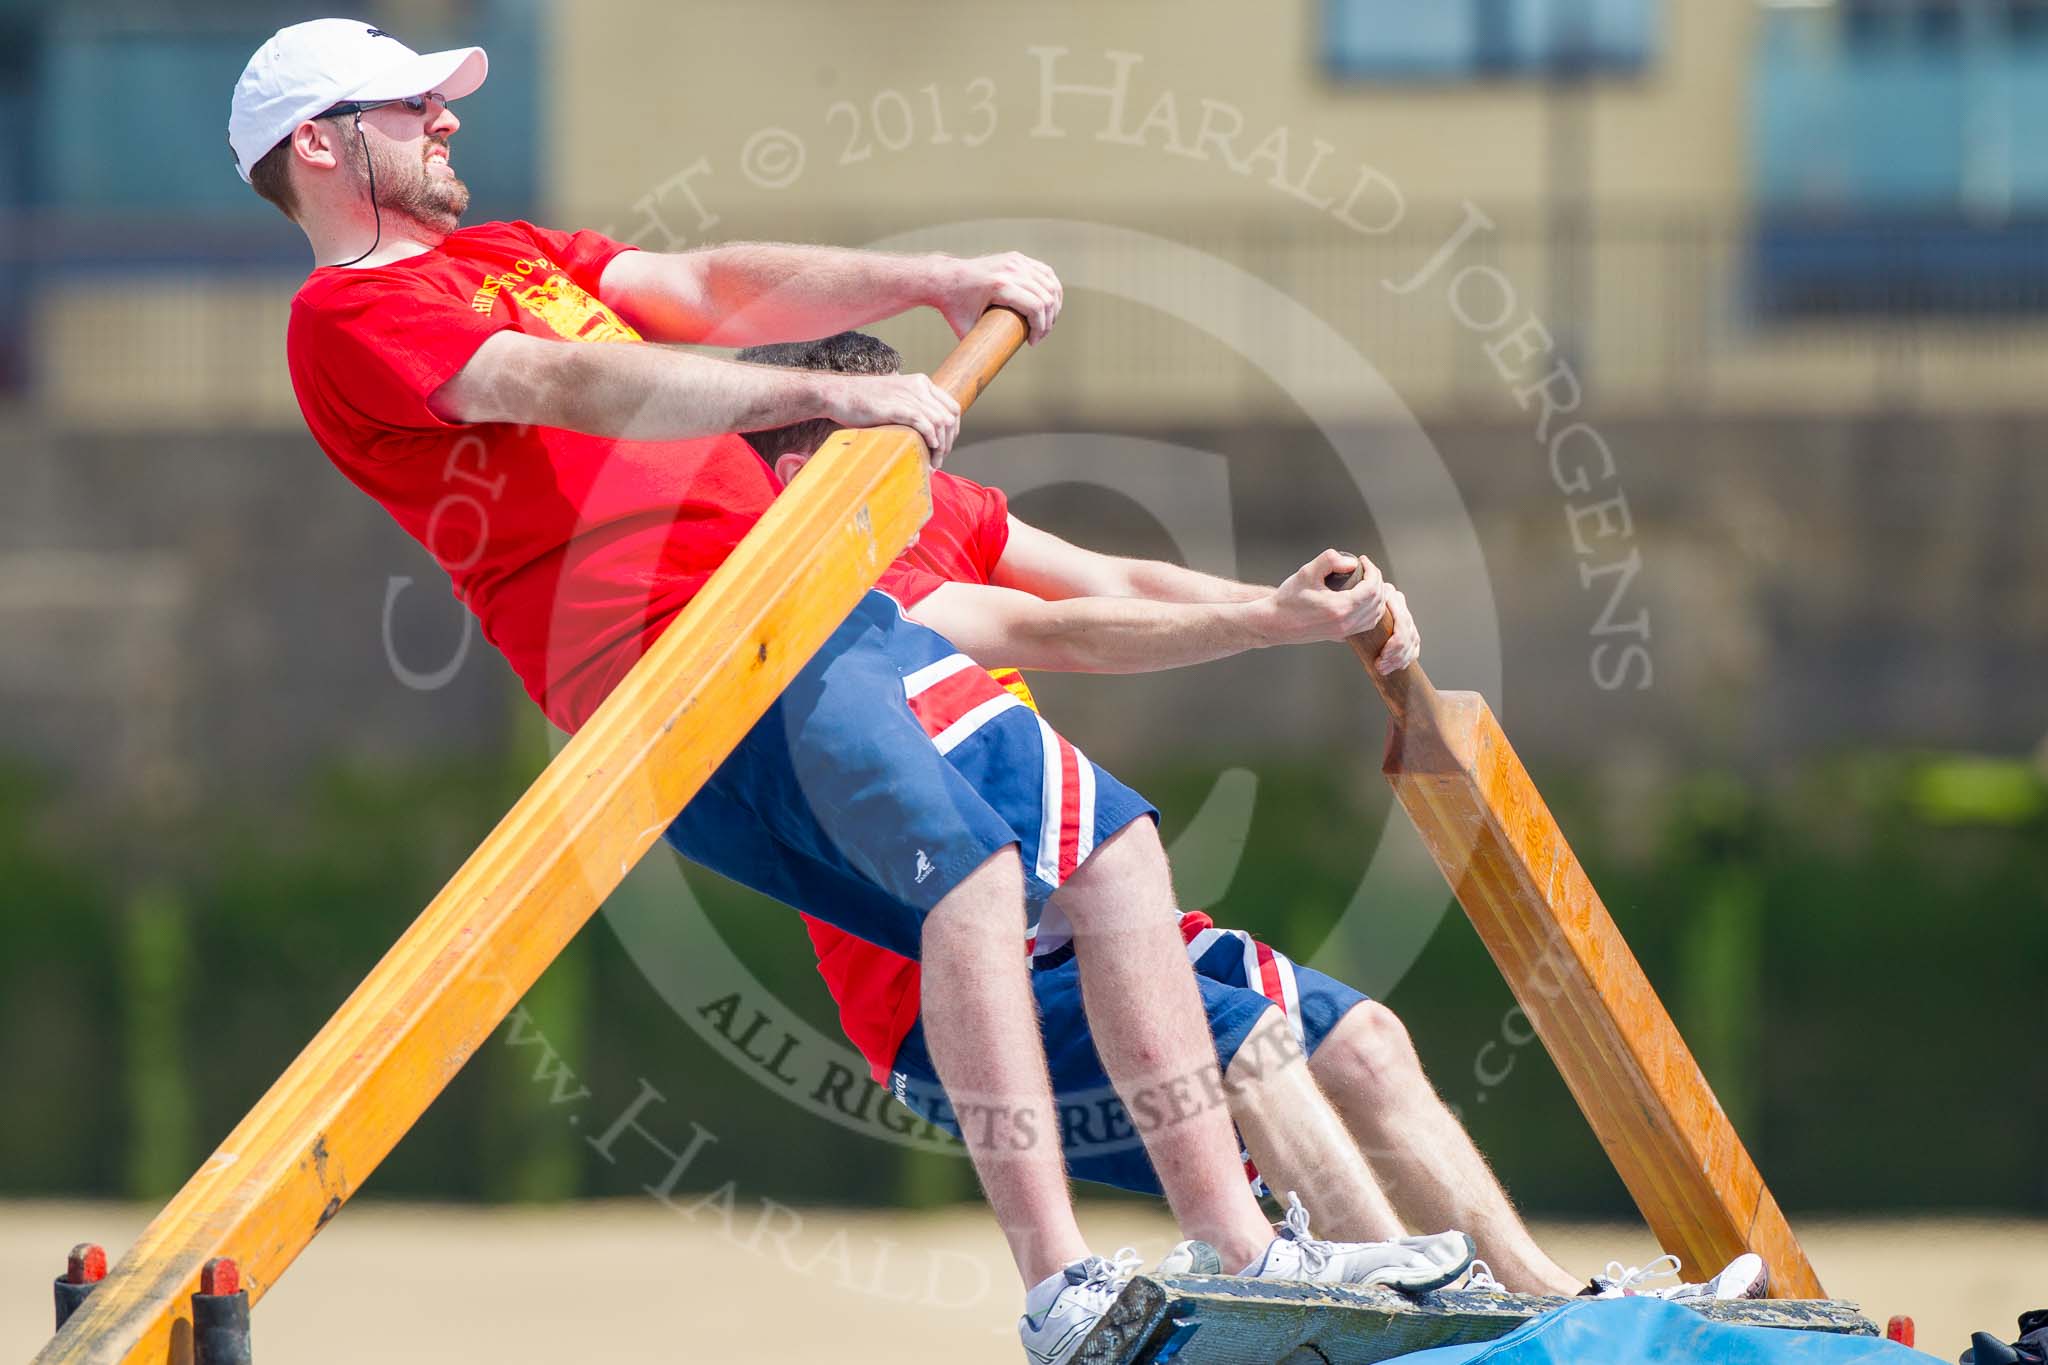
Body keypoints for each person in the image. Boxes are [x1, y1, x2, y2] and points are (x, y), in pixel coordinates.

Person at [230, 20, 1478, 1362]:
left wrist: (931, 280)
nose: (448, 122)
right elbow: (560, 380)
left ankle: (1248, 1252)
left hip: (816, 609)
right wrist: (807, 408)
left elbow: (711, 282)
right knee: (976, 877)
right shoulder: (345, 318)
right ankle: (1060, 1287)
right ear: (320, 142)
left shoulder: (513, 255)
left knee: (1114, 850)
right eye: (413, 107)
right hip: (680, 657)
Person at [737, 331, 1773, 1306]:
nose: (922, 490)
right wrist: (1268, 624)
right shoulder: (813, 598)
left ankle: (1549, 1308)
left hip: (1089, 945)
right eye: (894, 461)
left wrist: (1298, 607)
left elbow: (1118, 579)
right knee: (1248, 1045)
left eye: (922, 457)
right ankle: (1410, 1316)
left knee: (1363, 1041)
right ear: (800, 479)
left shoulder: (931, 508)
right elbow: (1054, 627)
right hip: (943, 1011)